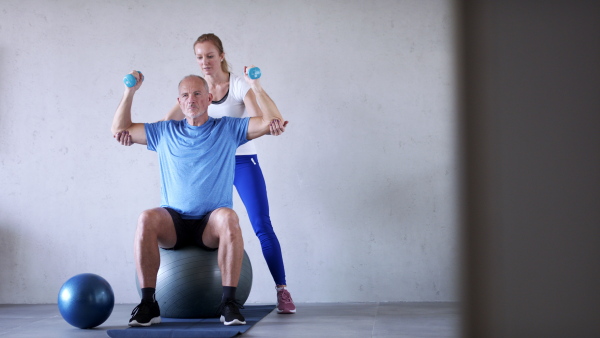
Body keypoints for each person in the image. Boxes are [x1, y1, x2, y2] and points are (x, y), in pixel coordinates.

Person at [115, 33, 296, 314]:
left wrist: (257, 89)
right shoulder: (184, 105)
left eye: (210, 56)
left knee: (257, 223)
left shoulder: (235, 90)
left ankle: (277, 291)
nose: (205, 62)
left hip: (237, 155)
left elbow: (264, 119)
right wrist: (135, 109)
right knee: (148, 217)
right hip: (202, 163)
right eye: (199, 57)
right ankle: (148, 303)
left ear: (221, 56)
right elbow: (156, 125)